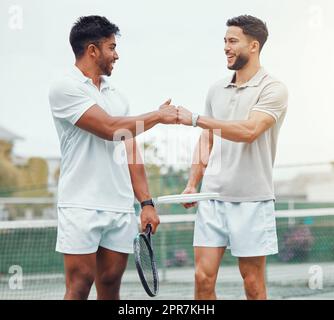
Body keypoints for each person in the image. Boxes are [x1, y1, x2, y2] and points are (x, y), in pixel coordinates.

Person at [48, 15, 178, 300]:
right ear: (92, 50)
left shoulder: (118, 96)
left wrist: (146, 203)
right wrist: (158, 116)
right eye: (111, 47)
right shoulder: (64, 88)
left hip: (119, 207)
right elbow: (109, 129)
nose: (116, 55)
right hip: (80, 205)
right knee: (80, 285)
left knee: (110, 285)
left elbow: (130, 149)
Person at [177, 15, 288, 300]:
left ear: (254, 46)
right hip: (212, 199)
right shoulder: (215, 89)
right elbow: (208, 139)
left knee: (252, 284)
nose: (226, 47)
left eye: (232, 41)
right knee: (202, 279)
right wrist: (193, 183)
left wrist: (196, 119)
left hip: (252, 200)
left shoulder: (273, 89)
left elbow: (249, 130)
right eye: (224, 41)